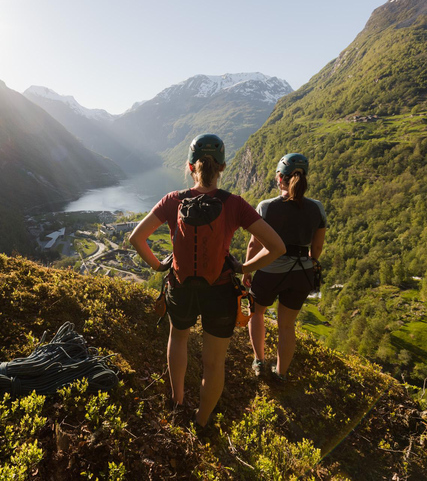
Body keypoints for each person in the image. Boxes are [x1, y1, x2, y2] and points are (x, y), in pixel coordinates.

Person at [130, 134, 284, 428]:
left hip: (181, 287)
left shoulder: (173, 200)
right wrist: (243, 267)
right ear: (222, 167)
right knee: (214, 363)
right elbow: (277, 246)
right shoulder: (235, 204)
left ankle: (177, 403)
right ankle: (201, 421)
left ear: (190, 167)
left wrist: (158, 265)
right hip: (221, 292)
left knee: (178, 339)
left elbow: (136, 238)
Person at [246, 153, 327, 381]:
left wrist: (248, 270)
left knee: (256, 314)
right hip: (302, 272)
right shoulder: (317, 208)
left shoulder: (267, 207)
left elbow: (254, 243)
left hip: (270, 271)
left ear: (279, 178)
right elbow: (317, 249)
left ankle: (259, 361)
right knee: (287, 326)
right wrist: (306, 261)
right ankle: (281, 373)